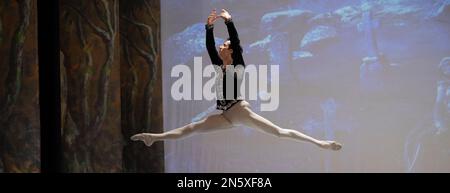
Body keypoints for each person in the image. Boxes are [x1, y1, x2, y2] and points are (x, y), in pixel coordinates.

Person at [131, 9, 342, 151]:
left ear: (231, 51)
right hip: (225, 115)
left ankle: (321, 143)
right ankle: (154, 137)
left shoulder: (237, 65)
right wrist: (209, 27)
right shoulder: (217, 63)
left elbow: (236, 42)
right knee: (192, 127)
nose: (221, 46)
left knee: (279, 132)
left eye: (225, 45)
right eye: (222, 44)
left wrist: (229, 21)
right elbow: (208, 47)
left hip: (239, 111)